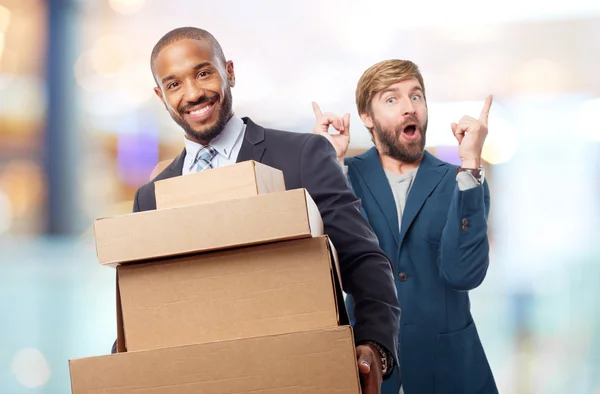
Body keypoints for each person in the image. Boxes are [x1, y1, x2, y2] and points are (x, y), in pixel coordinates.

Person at [111, 27, 401, 394]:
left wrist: (375, 346)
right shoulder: (151, 198)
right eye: (174, 84)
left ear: (229, 71)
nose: (193, 93)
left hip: (299, 374)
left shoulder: (302, 156)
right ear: (160, 95)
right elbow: (148, 306)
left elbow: (362, 259)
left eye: (204, 73)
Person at [312, 59, 498, 394]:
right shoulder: (344, 178)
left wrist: (470, 163)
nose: (409, 108)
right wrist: (329, 166)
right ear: (366, 117)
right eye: (392, 99)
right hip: (368, 369)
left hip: (452, 372)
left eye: (416, 96)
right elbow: (329, 272)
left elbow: (464, 275)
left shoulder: (461, 181)